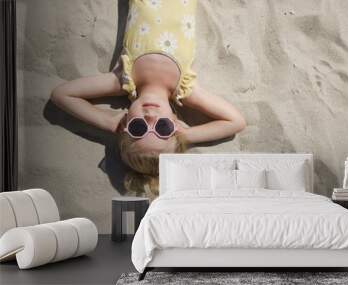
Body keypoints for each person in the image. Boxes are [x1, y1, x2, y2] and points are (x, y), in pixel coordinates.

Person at [50, 0, 246, 198]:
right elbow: (236, 122)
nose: (150, 115)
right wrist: (186, 136)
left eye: (138, 128)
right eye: (162, 128)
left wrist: (108, 122)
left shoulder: (123, 79)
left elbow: (62, 95)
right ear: (175, 124)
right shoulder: (185, 88)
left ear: (125, 124)